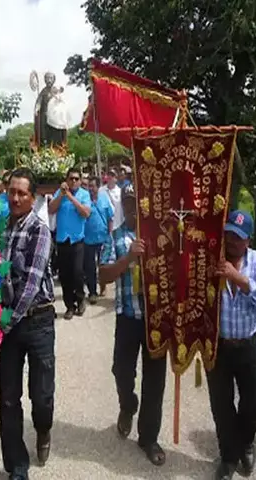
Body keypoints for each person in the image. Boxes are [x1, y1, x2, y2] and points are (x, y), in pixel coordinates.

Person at [99, 183, 168, 467]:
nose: (131, 207)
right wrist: (129, 258)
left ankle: (148, 437)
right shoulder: (114, 237)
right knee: (121, 371)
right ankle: (127, 404)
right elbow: (103, 276)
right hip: (127, 317)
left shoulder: (161, 235)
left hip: (155, 321)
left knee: (155, 381)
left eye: (137, 202)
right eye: (127, 202)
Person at [208, 211, 256, 480]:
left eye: (238, 237)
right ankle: (228, 459)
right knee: (222, 407)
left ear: (248, 240)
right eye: (229, 235)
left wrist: (239, 279)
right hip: (219, 347)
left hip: (247, 344)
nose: (232, 241)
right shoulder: (212, 260)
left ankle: (245, 442)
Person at [0, 168, 56, 480]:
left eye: (23, 193)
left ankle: (44, 429)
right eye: (12, 192)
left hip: (38, 322)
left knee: (41, 395)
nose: (16, 198)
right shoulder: (0, 228)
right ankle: (17, 467)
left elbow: (32, 283)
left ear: (33, 198)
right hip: (9, 324)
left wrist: (6, 322)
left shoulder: (39, 230)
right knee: (8, 398)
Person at [48, 168, 91, 319]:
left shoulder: (84, 195)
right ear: (66, 180)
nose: (73, 181)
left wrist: (71, 197)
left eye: (76, 179)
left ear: (80, 181)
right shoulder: (59, 193)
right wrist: (61, 195)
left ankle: (80, 299)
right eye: (71, 179)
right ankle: (69, 306)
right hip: (62, 240)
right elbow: (51, 209)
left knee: (78, 273)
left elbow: (86, 213)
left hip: (77, 240)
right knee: (65, 275)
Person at [84, 176, 114, 304]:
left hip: (103, 238)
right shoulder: (84, 200)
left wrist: (110, 234)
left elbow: (110, 217)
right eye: (89, 186)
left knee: (102, 265)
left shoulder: (104, 199)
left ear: (98, 187)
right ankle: (92, 292)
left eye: (93, 186)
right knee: (90, 267)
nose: (91, 189)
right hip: (88, 239)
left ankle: (102, 286)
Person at [100, 169, 123, 234]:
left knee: (119, 244)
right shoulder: (101, 190)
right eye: (108, 175)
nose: (110, 177)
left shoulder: (120, 192)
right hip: (105, 225)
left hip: (118, 224)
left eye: (112, 175)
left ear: (116, 179)